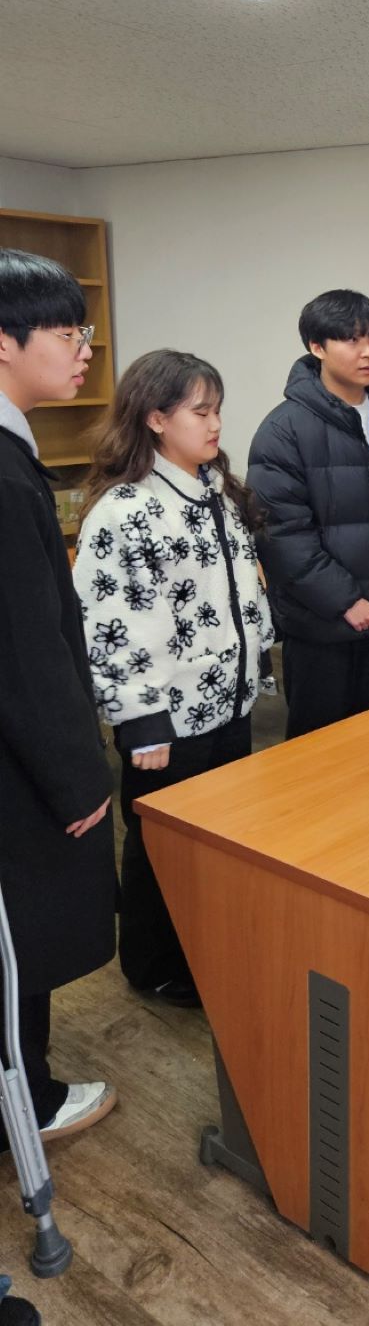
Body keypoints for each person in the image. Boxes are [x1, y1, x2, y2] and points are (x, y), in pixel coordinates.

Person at [73, 350, 275, 1008]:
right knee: (161, 847)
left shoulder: (213, 489)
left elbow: (237, 591)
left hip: (227, 701)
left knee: (215, 839)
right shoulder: (127, 510)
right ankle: (153, 964)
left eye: (218, 410)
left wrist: (257, 660)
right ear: (156, 419)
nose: (215, 424)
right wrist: (141, 720)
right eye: (200, 412)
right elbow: (115, 624)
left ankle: (203, 944)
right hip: (168, 718)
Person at [0, 249, 116, 1144]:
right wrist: (79, 778)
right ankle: (25, 1103)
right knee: (19, 939)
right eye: (68, 333)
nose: (84, 351)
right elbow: (26, 652)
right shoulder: (5, 474)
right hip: (19, 762)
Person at [248, 290, 369, 739]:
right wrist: (345, 601)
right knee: (319, 749)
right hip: (320, 626)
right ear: (317, 347)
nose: (368, 351)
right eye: (351, 340)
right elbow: (282, 534)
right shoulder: (284, 430)